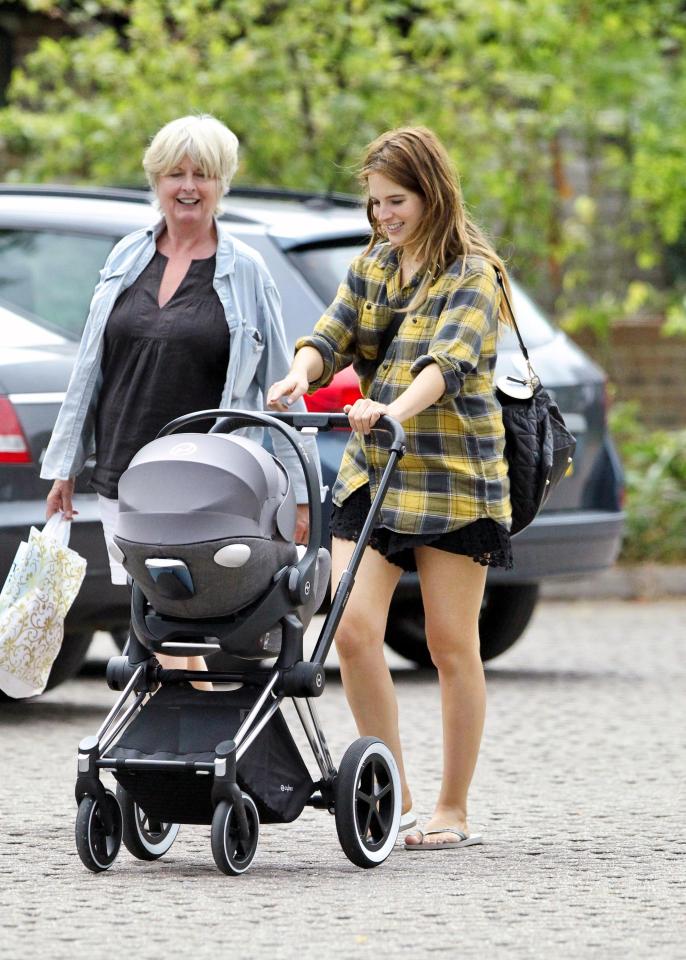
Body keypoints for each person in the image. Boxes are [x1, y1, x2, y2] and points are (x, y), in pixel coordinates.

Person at [268, 126, 513, 850]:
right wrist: (301, 373)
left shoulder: (473, 272)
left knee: (449, 644)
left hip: (454, 476)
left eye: (396, 201)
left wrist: (391, 407)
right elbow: (331, 332)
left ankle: (453, 808)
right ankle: (393, 792)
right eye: (376, 204)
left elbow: (453, 362)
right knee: (350, 626)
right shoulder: (374, 263)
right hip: (376, 474)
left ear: (432, 193)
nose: (384, 217)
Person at [42, 114, 318, 683]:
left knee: (176, 621)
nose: (188, 187)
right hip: (124, 474)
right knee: (155, 622)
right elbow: (89, 369)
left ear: (222, 184)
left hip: (205, 484)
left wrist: (300, 493)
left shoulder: (245, 271)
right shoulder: (125, 257)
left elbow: (280, 389)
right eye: (175, 174)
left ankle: (197, 741)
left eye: (203, 174)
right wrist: (65, 467)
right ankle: (195, 738)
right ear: (156, 181)